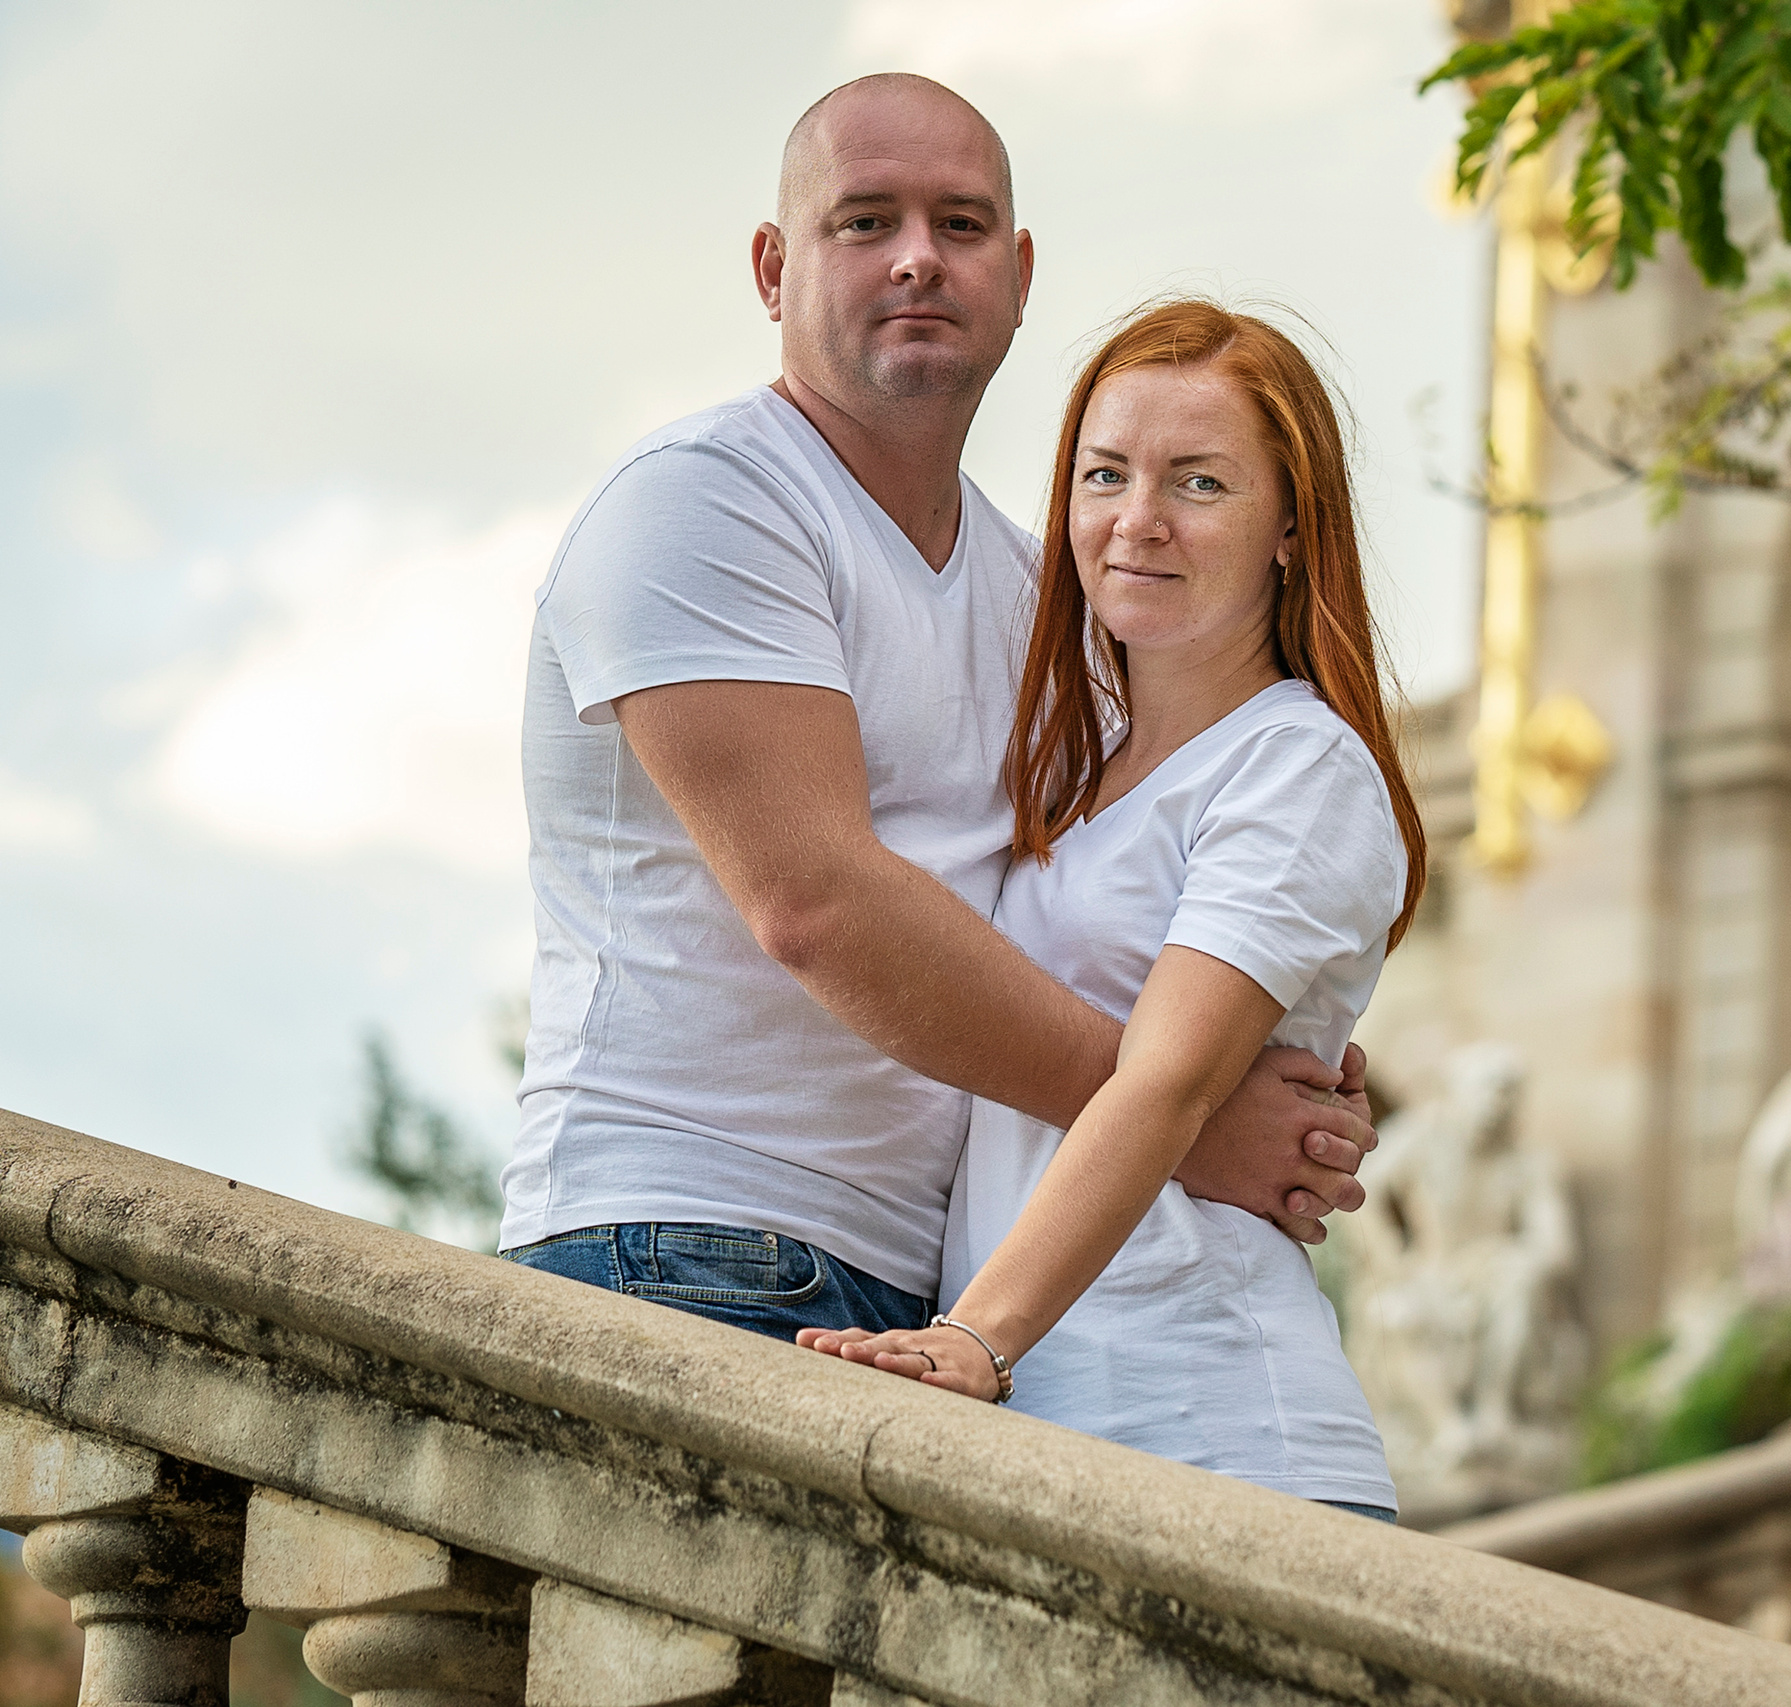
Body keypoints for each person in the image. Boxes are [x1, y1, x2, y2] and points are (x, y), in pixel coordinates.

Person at [497, 76, 1375, 1341]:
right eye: (865, 222)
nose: (918, 259)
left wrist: (1291, 1059)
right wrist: (1179, 1119)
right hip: (688, 1232)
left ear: (1018, 275)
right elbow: (818, 905)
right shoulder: (703, 505)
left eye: (960, 226)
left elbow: (1156, 889)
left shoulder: (1043, 594)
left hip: (940, 1277)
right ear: (771, 266)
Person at [799, 301, 1426, 1523]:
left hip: (1214, 1438)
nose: (1137, 521)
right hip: (1050, 1433)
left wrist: (976, 1338)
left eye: (1199, 483)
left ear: (1291, 526)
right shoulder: (1076, 772)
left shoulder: (1298, 767)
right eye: (1104, 475)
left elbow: (1167, 1084)